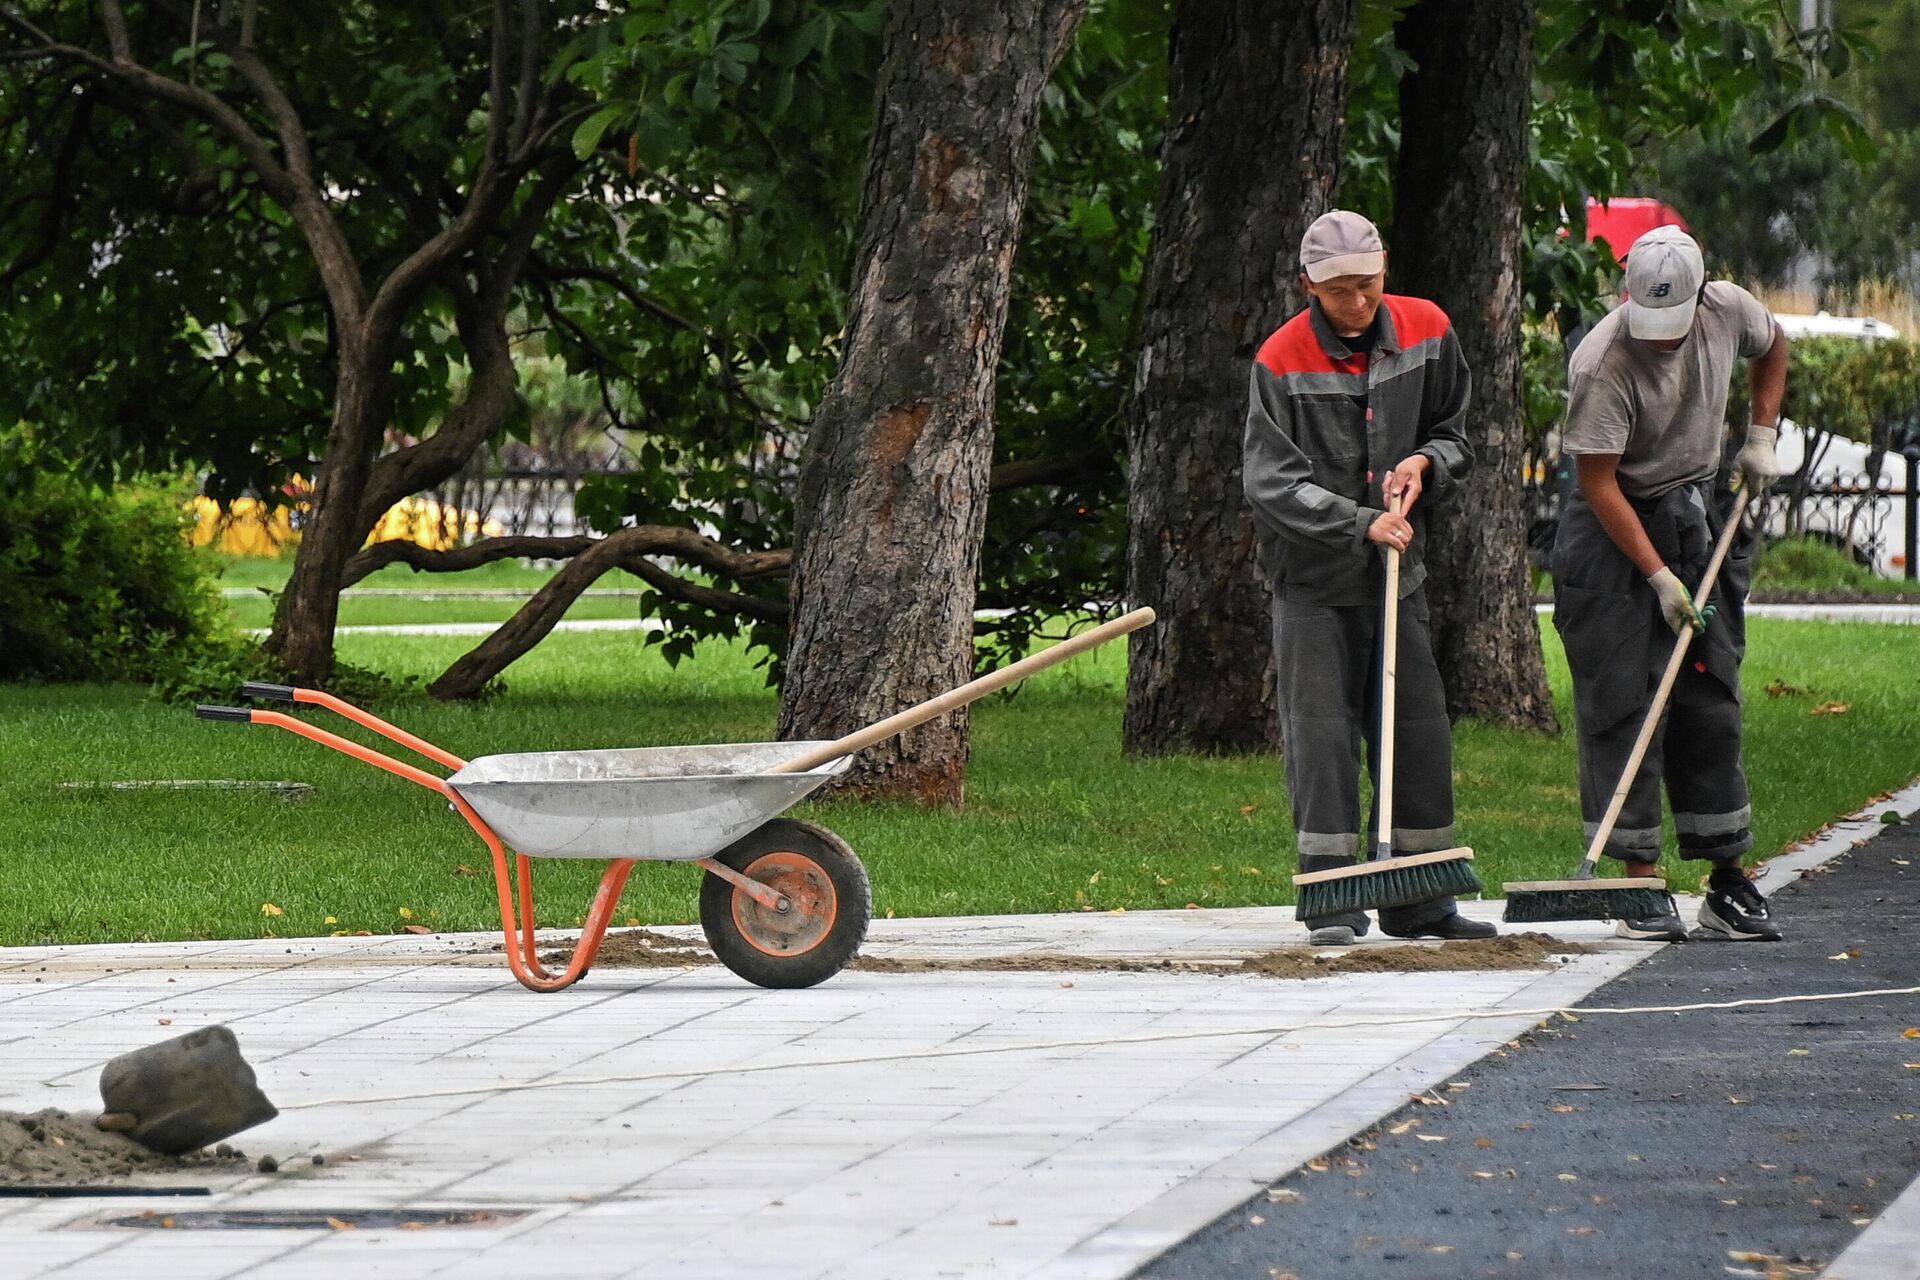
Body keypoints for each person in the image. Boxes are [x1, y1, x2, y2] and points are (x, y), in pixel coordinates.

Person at [1244, 209, 1492, 947]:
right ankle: (1332, 901)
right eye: (1339, 291)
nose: (1357, 304)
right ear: (1308, 287)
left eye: (1369, 286)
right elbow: (1270, 482)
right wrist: (1359, 523)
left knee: (1417, 728)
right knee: (1321, 737)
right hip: (1313, 584)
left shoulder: (1427, 329)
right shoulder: (1280, 359)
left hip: (1398, 576)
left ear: (1387, 271)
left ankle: (1422, 901)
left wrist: (1425, 463)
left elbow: (1454, 432)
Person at [1554, 225, 1789, 942]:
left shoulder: (1728, 309)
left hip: (1698, 511)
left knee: (1710, 690)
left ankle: (1727, 881)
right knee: (1625, 698)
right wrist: (1655, 576)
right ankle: (1637, 885)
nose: (1659, 339)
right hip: (1613, 527)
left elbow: (1774, 346)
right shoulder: (1601, 362)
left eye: (1672, 324)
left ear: (1699, 295)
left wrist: (1761, 435)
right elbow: (1598, 483)